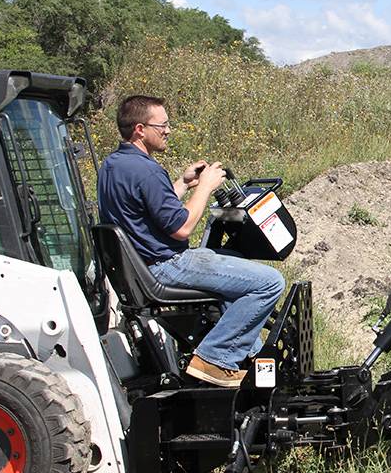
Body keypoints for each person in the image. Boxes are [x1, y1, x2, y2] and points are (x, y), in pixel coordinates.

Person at [96, 95, 285, 387]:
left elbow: (151, 210)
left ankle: (252, 356)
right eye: (162, 125)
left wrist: (183, 184)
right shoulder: (147, 170)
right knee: (269, 282)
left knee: (233, 261)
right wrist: (206, 187)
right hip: (166, 265)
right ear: (140, 129)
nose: (168, 130)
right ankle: (215, 359)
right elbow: (182, 227)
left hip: (143, 265)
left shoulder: (114, 165)